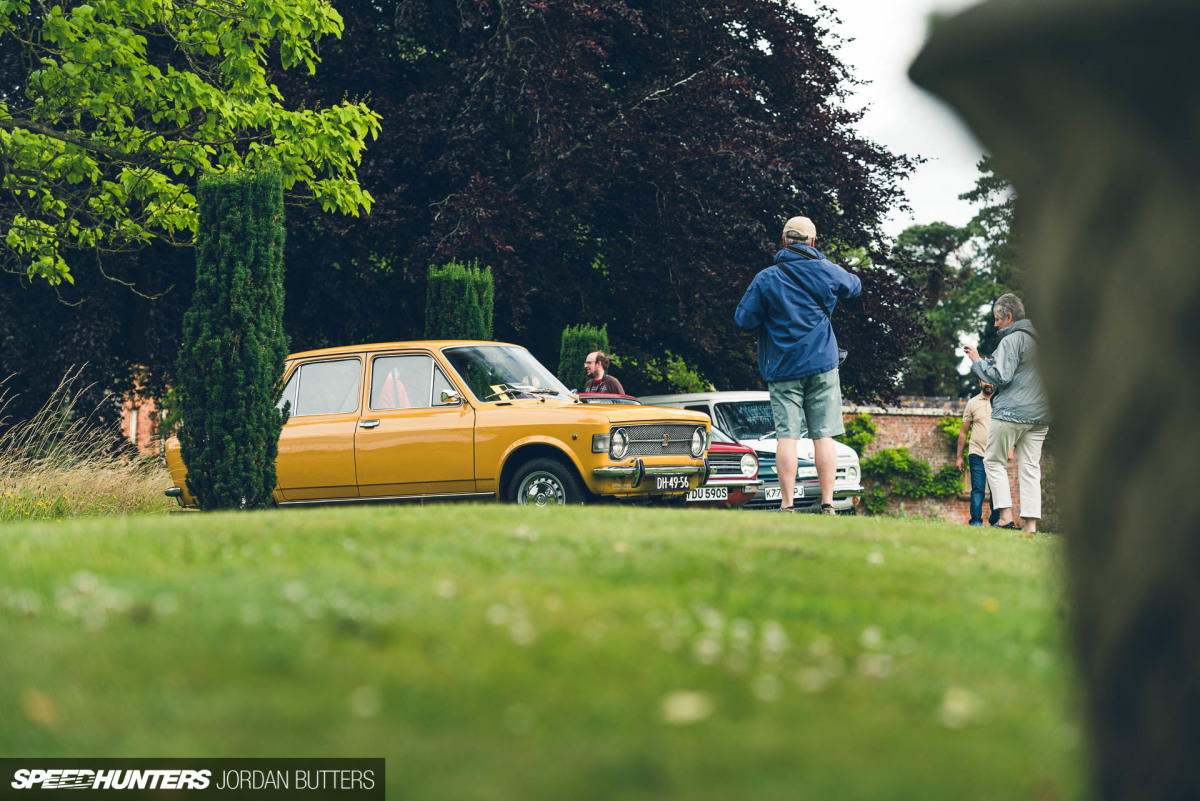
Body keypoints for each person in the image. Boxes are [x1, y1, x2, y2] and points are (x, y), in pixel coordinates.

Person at [734, 215, 861, 514]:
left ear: (783, 241)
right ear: (814, 242)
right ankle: (828, 503)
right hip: (823, 365)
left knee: (787, 438)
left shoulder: (766, 278)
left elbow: (743, 320)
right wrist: (825, 269)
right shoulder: (828, 271)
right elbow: (854, 286)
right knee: (823, 435)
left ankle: (787, 504)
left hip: (782, 367)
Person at [964, 293, 1051, 533]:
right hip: (1040, 416)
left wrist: (977, 361)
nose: (995, 324)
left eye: (997, 319)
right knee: (1031, 468)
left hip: (1011, 413)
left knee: (992, 461)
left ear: (1009, 317)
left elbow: (1001, 376)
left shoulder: (1012, 340)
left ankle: (1005, 517)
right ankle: (1031, 526)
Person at [956, 378, 998, 526]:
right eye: (985, 380)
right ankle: (975, 521)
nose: (988, 384)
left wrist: (1011, 449)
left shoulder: (1001, 401)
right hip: (976, 453)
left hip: (997, 454)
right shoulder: (972, 403)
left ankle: (997, 521)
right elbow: (963, 432)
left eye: (991, 380)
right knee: (978, 489)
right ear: (980, 382)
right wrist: (959, 457)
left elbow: (1010, 428)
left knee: (997, 490)